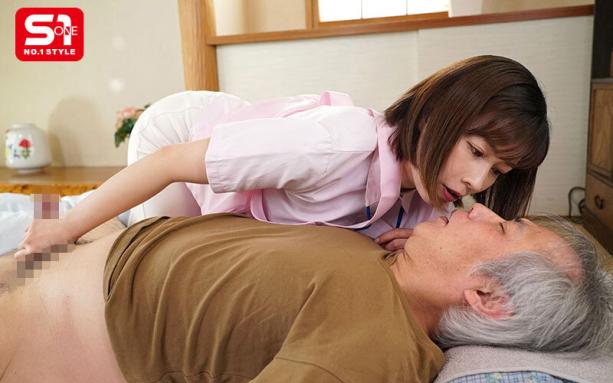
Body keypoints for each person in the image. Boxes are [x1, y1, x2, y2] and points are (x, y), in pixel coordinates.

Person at [1, 204, 612, 383]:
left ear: (486, 297)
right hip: (66, 256)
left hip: (39, 320)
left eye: (501, 227)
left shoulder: (372, 348)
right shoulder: (390, 264)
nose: (479, 207)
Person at [14, 55, 550, 258]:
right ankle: (54, 214)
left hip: (260, 156)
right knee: (136, 243)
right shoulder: (334, 147)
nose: (478, 180)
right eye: (476, 151)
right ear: (436, 114)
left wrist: (424, 246)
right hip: (178, 138)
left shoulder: (435, 198)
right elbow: (170, 162)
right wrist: (67, 228)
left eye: (497, 170)